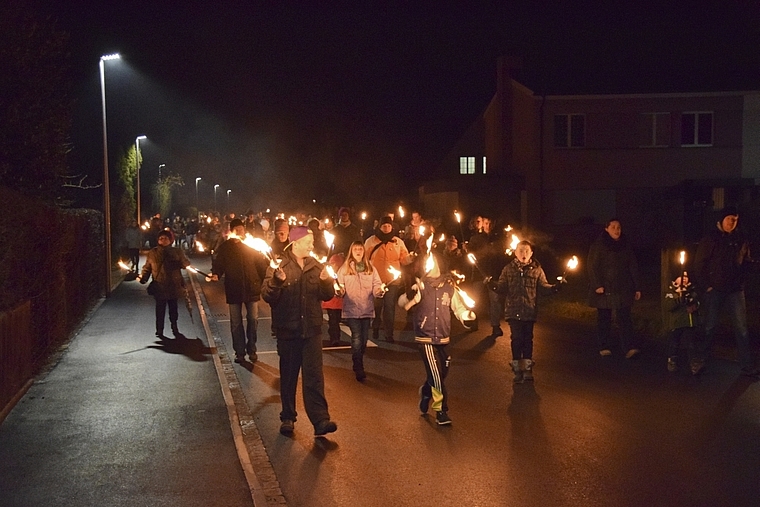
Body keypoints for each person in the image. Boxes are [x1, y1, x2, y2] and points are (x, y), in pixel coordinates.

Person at [261, 226, 338, 438]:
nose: (312, 245)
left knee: (314, 376)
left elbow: (327, 295)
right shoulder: (278, 265)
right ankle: (288, 417)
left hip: (311, 330)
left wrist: (326, 281)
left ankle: (320, 420)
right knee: (288, 375)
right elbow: (267, 296)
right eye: (308, 242)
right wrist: (277, 281)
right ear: (296, 243)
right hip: (288, 329)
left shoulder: (316, 266)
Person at [399, 249, 476, 425]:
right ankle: (441, 410)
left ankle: (426, 392)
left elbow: (459, 309)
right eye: (426, 262)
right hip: (425, 337)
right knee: (435, 373)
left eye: (431, 261)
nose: (428, 265)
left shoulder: (450, 287)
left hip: (443, 337)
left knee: (442, 373)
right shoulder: (421, 286)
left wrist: (468, 317)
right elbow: (403, 303)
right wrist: (410, 295)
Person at [693, 206, 758, 376]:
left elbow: (746, 261)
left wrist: (743, 277)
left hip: (735, 290)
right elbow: (699, 263)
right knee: (709, 325)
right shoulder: (711, 239)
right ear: (721, 220)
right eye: (729, 219)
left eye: (735, 220)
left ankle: (746, 364)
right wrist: (706, 285)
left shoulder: (740, 239)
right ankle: (701, 359)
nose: (732, 223)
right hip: (715, 289)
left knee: (741, 328)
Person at [488, 240, 557, 383]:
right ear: (515, 253)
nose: (523, 254)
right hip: (513, 310)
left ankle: (527, 368)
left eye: (526, 251)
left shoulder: (537, 269)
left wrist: (555, 288)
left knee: (528, 339)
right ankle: (517, 367)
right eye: (520, 251)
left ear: (531, 253)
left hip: (529, 310)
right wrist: (492, 285)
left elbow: (544, 287)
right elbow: (501, 287)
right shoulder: (508, 269)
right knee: (516, 338)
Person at [210, 218, 267, 364]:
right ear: (232, 231)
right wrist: (216, 273)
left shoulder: (250, 245)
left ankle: (252, 348)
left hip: (251, 287)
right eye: (237, 229)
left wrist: (267, 278)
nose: (240, 231)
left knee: (253, 320)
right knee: (236, 323)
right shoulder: (225, 247)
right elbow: (219, 264)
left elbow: (261, 265)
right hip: (233, 288)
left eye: (242, 228)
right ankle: (239, 352)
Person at [587, 218, 642, 358]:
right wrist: (597, 284)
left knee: (625, 317)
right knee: (604, 317)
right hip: (605, 287)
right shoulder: (599, 245)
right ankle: (604, 346)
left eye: (619, 227)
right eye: (613, 227)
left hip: (623, 286)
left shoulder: (625, 245)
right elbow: (592, 266)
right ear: (606, 228)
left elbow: (633, 266)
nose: (617, 230)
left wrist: (637, 287)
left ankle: (629, 347)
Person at [337, 241, 384, 381]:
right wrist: (339, 291)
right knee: (357, 337)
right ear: (351, 251)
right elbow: (340, 285)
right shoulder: (345, 268)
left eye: (360, 249)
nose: (358, 251)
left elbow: (377, 284)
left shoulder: (370, 267)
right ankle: (358, 366)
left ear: (363, 251)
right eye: (355, 249)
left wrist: (379, 291)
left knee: (363, 340)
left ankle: (358, 358)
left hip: (366, 309)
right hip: (351, 310)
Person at [364, 216, 414, 342]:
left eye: (388, 226)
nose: (386, 228)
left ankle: (388, 334)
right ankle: (375, 326)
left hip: (392, 281)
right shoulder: (371, 241)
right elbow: (364, 259)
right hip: (376, 280)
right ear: (379, 227)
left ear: (392, 227)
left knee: (390, 306)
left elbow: (404, 259)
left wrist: (411, 258)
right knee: (377, 305)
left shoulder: (398, 242)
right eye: (384, 226)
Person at [138, 229, 191, 339]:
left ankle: (174, 326)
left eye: (166, 238)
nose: (163, 240)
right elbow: (147, 267)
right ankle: (159, 329)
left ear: (170, 240)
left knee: (173, 309)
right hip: (160, 285)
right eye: (161, 238)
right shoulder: (153, 253)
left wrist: (183, 264)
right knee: (160, 309)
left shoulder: (177, 251)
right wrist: (143, 278)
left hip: (173, 285)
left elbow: (185, 262)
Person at [664, 274, 700, 373]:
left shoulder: (691, 290)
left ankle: (694, 363)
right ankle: (672, 360)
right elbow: (668, 306)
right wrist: (679, 300)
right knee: (674, 342)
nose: (684, 278)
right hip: (676, 323)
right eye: (681, 277)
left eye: (686, 276)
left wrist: (694, 305)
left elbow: (697, 301)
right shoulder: (671, 291)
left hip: (689, 322)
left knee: (691, 343)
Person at [322, 254, 344, 347]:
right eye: (332, 263)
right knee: (333, 320)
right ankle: (335, 338)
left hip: (338, 302)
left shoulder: (341, 273)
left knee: (336, 320)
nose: (333, 265)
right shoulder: (328, 273)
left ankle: (335, 336)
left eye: (334, 263)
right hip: (330, 301)